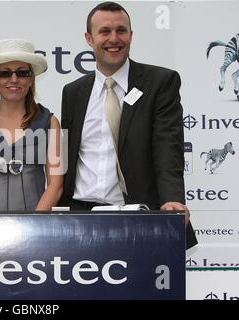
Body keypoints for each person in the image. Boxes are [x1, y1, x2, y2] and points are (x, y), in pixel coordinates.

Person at [59, 1, 197, 248]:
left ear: (131, 35)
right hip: (80, 219)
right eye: (104, 31)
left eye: (121, 30)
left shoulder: (160, 82)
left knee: (143, 286)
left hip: (137, 214)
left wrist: (172, 200)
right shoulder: (73, 92)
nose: (114, 38)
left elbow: (168, 147)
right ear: (89, 38)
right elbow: (69, 157)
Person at [0, 39, 63, 211]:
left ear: (31, 79)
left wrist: (34, 223)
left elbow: (56, 185)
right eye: (5, 73)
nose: (14, 79)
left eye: (22, 73)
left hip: (35, 229)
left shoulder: (50, 122)